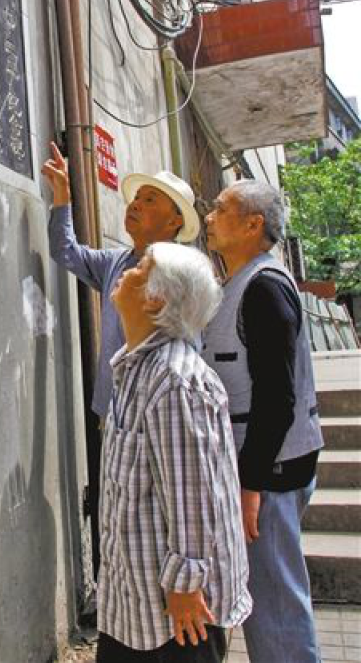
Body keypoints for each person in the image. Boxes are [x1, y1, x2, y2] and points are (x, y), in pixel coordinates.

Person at [97, 242, 251, 662]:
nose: (127, 271)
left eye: (140, 268)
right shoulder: (136, 368)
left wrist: (186, 584)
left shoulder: (174, 380)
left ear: (155, 299)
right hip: (135, 605)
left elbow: (193, 494)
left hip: (179, 615)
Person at [203, 181, 324, 663]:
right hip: (261, 471)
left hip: (269, 473)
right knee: (268, 595)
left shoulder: (264, 288)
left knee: (274, 602)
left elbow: (277, 398)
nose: (209, 216)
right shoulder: (242, 281)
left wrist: (250, 485)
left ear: (254, 224)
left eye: (221, 208)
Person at [42, 141, 200, 419]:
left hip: (158, 411)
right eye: (136, 198)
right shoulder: (115, 261)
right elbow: (65, 251)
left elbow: (190, 348)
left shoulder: (183, 274)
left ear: (175, 220)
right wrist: (62, 197)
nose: (135, 205)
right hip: (113, 409)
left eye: (149, 200)